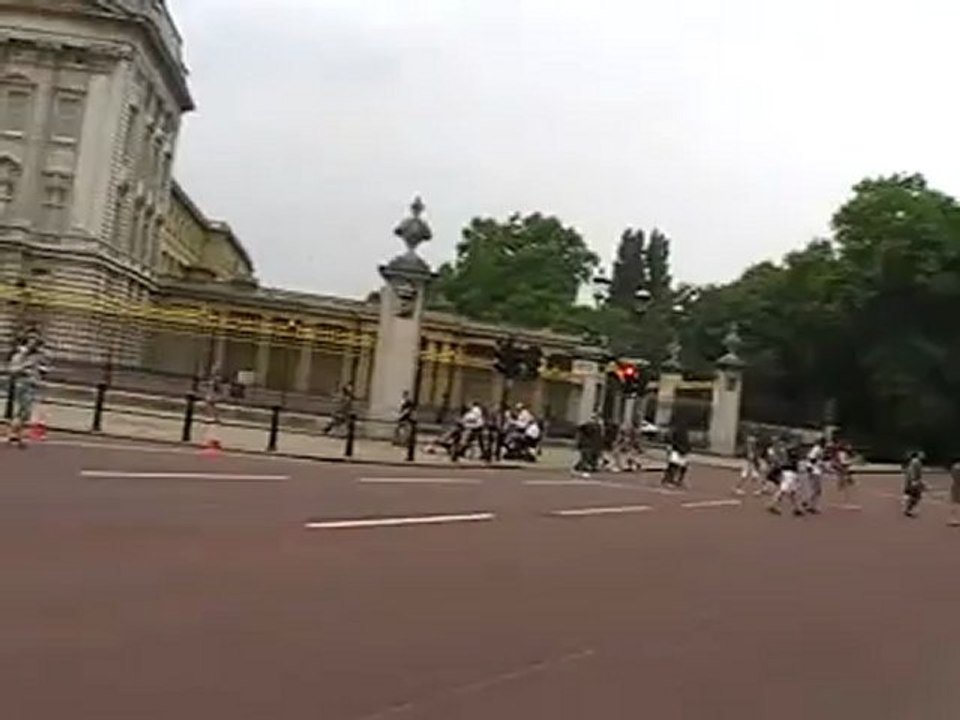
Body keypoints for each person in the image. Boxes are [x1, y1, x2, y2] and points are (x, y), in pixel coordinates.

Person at [6, 335, 48, 447]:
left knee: (25, 412)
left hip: (32, 385)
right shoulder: (19, 356)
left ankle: (15, 434)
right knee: (23, 410)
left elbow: (43, 369)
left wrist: (41, 371)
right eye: (31, 343)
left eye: (35, 344)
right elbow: (12, 370)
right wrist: (25, 368)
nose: (33, 346)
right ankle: (13, 433)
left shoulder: (37, 357)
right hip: (22, 385)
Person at [768, 440, 805, 516]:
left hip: (792, 473)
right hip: (789, 473)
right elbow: (793, 462)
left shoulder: (787, 453)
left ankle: (797, 509)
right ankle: (773, 504)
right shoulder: (790, 454)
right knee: (783, 490)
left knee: (793, 492)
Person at [802, 437, 826, 514]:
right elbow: (811, 459)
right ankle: (811, 505)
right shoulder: (817, 449)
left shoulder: (819, 449)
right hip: (815, 471)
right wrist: (817, 464)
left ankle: (808, 503)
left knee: (816, 490)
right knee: (816, 490)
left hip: (816, 471)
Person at [903, 451, 925, 518]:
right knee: (916, 495)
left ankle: (907, 507)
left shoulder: (916, 462)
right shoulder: (915, 462)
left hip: (914, 480)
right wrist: (914, 480)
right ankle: (907, 508)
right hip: (913, 481)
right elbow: (912, 471)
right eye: (922, 454)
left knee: (914, 495)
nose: (923, 456)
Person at [948, 460, 960, 527]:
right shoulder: (956, 467)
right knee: (955, 502)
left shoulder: (954, 467)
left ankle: (953, 518)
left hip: (955, 485)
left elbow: (952, 475)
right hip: (957, 485)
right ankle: (954, 518)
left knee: (954, 502)